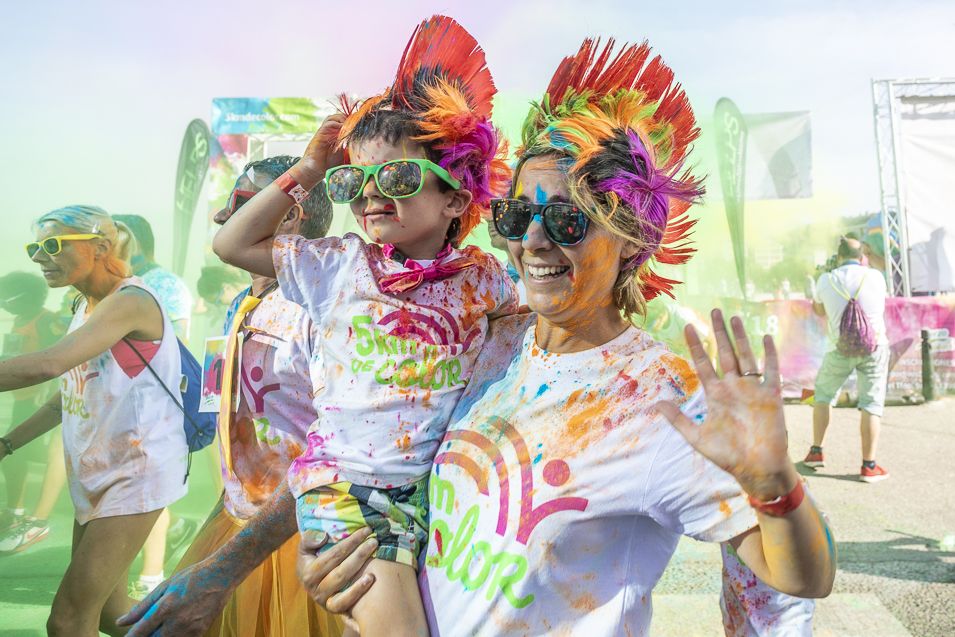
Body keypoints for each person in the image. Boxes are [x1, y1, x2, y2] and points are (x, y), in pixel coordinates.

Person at [296, 37, 836, 636]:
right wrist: (334, 556)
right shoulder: (487, 342)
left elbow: (799, 579)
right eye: (518, 215)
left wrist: (775, 483)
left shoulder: (663, 399)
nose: (533, 241)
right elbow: (371, 450)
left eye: (569, 220)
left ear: (632, 241)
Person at [213, 15, 517, 637]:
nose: (372, 195)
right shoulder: (337, 265)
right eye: (357, 180)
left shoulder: (485, 280)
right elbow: (232, 242)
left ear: (457, 199)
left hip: (431, 496)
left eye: (400, 178)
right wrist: (309, 170)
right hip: (343, 490)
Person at [117, 155, 343, 637]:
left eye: (240, 203)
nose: (223, 216)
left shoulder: (320, 309)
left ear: (288, 213)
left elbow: (338, 448)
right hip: (235, 518)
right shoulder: (243, 303)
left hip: (299, 536)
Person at [0, 205, 188, 636]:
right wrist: (9, 442)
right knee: (112, 614)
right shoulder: (85, 305)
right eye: (35, 248)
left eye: (52, 246)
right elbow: (67, 392)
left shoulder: (132, 301)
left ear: (101, 247)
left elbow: (49, 365)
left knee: (67, 619)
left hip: (135, 472)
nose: (38, 258)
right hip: (99, 472)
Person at [112, 212, 197, 598]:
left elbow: (174, 346)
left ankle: (151, 574)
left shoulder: (163, 283)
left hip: (155, 398)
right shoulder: (113, 284)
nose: (109, 243)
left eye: (118, 236)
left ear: (139, 240)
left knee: (148, 485)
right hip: (115, 400)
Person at [804, 235, 890, 482]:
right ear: (862, 257)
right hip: (874, 348)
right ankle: (869, 466)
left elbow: (819, 310)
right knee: (871, 404)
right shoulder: (875, 276)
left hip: (838, 349)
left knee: (822, 397)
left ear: (838, 256)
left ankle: (816, 451)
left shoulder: (826, 280)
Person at [0, 272, 66, 553]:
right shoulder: (19, 321)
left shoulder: (48, 321)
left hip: (42, 401)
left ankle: (31, 517)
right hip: (22, 397)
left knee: (23, 454)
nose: (4, 305)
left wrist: (49, 386)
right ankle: (15, 510)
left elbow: (60, 356)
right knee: (17, 457)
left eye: (8, 299)